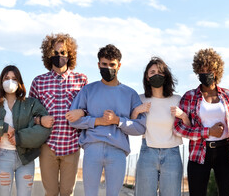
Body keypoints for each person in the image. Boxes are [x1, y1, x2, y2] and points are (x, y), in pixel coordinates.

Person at [66, 44, 146, 196]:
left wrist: (118, 121)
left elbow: (140, 127)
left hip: (117, 152)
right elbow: (72, 121)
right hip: (92, 150)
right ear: (98, 65)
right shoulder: (88, 90)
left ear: (119, 66)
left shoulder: (130, 94)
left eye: (112, 65)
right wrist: (97, 121)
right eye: (104, 64)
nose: (108, 68)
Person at [0, 65, 51, 196]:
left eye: (14, 78)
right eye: (7, 78)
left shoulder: (31, 103)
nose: (10, 82)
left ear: (20, 82)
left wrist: (19, 137)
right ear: (1, 82)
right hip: (2, 157)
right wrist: (3, 127)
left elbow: (44, 129)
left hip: (26, 158)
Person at [29, 33, 88, 196]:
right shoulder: (38, 82)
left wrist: (81, 111)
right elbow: (28, 115)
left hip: (72, 145)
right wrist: (41, 120)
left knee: (68, 191)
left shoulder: (81, 80)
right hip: (48, 145)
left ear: (70, 55)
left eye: (63, 53)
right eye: (55, 53)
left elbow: (90, 110)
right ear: (49, 55)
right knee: (51, 192)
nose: (59, 56)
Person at [173, 48, 229, 196]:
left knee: (227, 192)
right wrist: (207, 132)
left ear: (216, 71)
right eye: (201, 70)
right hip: (199, 151)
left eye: (209, 69)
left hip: (225, 151)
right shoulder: (190, 96)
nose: (205, 73)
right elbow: (178, 128)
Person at [133, 57, 183, 196]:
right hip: (147, 152)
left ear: (166, 76)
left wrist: (183, 115)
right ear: (147, 77)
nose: (156, 75)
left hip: (172, 154)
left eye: (160, 72)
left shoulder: (177, 99)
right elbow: (131, 124)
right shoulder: (140, 99)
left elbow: (188, 127)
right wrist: (137, 110)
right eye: (152, 72)